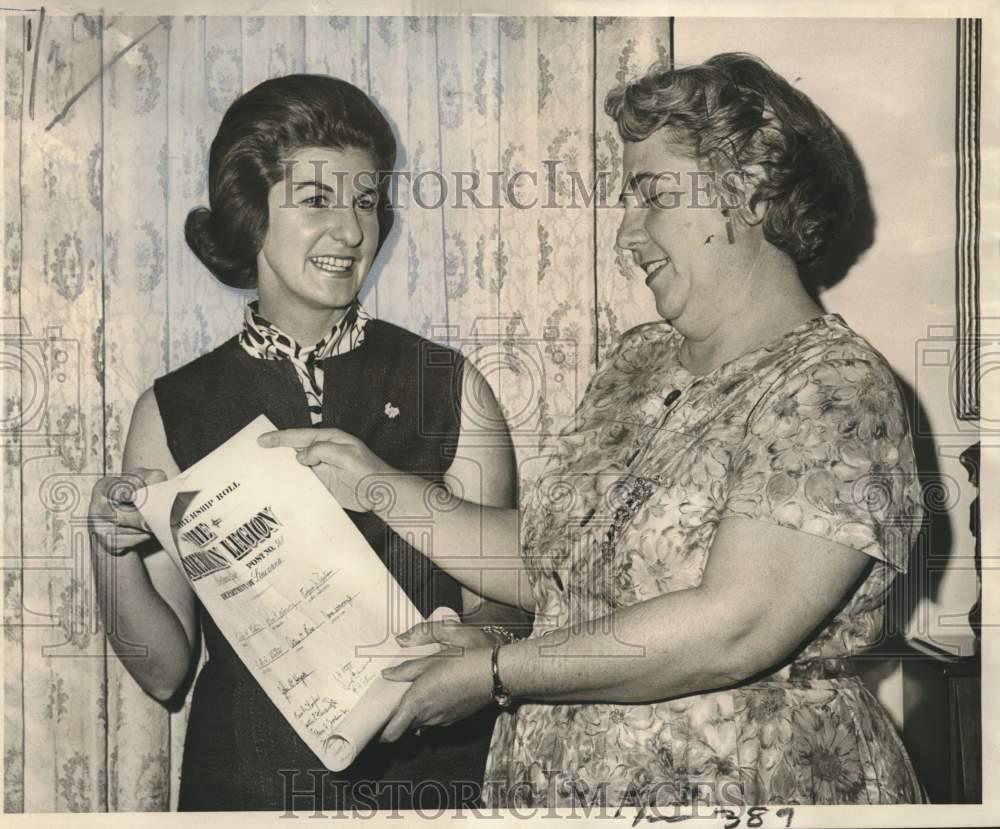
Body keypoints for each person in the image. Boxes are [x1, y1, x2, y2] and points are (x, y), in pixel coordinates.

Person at [260, 53, 925, 807]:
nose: (627, 235)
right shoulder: (635, 362)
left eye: (651, 197)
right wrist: (373, 482)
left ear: (748, 192)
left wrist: (497, 673)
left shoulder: (833, 386)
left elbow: (734, 624)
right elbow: (555, 570)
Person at [88, 74, 524, 811]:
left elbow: (510, 607)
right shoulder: (171, 409)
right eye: (318, 199)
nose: (352, 231)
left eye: (365, 200)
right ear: (250, 212)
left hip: (428, 783)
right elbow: (163, 673)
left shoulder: (451, 384)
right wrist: (111, 551)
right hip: (244, 788)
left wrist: (466, 646)